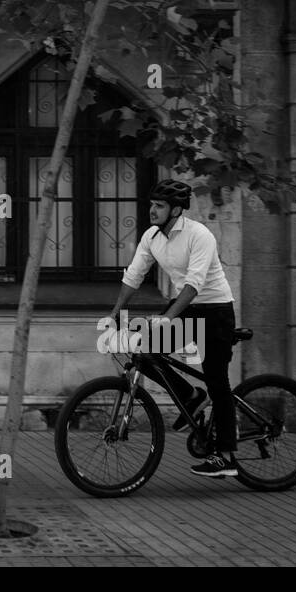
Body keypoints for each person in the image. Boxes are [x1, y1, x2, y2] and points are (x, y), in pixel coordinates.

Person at [107, 180, 239, 478]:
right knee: (145, 350)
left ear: (176, 210)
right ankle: (191, 397)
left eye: (159, 206)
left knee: (217, 380)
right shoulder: (152, 237)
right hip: (186, 307)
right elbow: (134, 276)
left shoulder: (199, 235)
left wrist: (167, 319)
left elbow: (194, 285)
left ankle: (227, 455)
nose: (152, 210)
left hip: (215, 310)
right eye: (152, 204)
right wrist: (115, 313)